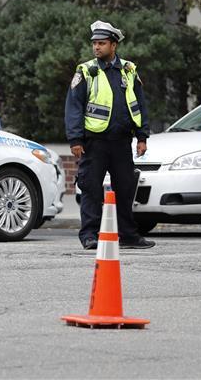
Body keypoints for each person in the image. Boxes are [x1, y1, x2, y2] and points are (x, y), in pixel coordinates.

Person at [65, 20, 154, 250]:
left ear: (113, 45)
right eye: (94, 43)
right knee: (91, 188)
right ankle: (89, 236)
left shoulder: (128, 70)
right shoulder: (86, 71)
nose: (96, 47)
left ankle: (128, 236)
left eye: (101, 43)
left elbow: (140, 105)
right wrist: (75, 139)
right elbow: (73, 107)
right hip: (94, 142)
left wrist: (142, 137)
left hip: (122, 142)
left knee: (125, 190)